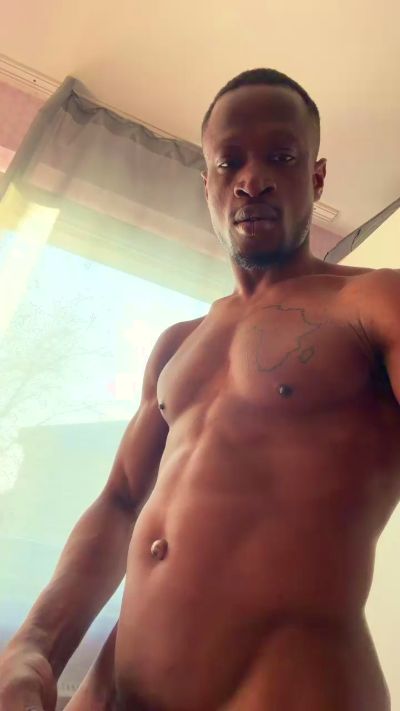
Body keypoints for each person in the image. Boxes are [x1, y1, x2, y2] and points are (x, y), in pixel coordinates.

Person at [0, 67, 399, 711]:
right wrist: (32, 646)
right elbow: (120, 503)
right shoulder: (178, 344)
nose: (252, 178)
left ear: (317, 177)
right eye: (229, 161)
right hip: (110, 694)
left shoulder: (374, 302)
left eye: (281, 156)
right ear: (207, 183)